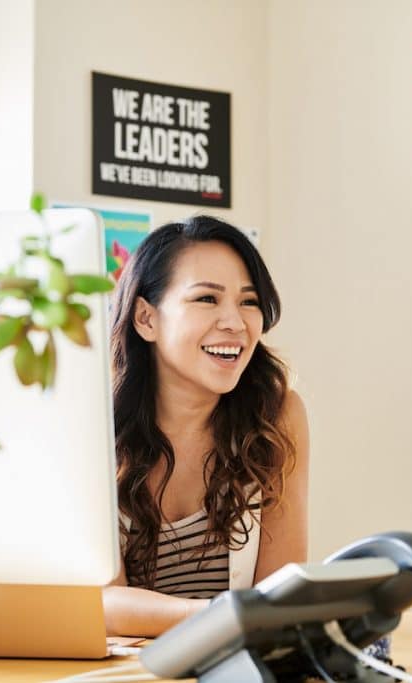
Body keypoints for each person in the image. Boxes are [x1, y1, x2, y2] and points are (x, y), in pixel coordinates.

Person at [103, 215, 310, 637]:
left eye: (248, 302)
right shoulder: (94, 430)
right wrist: (229, 615)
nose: (235, 322)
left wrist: (247, 616)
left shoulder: (278, 416)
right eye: (207, 300)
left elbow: (279, 590)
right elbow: (102, 603)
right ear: (146, 319)